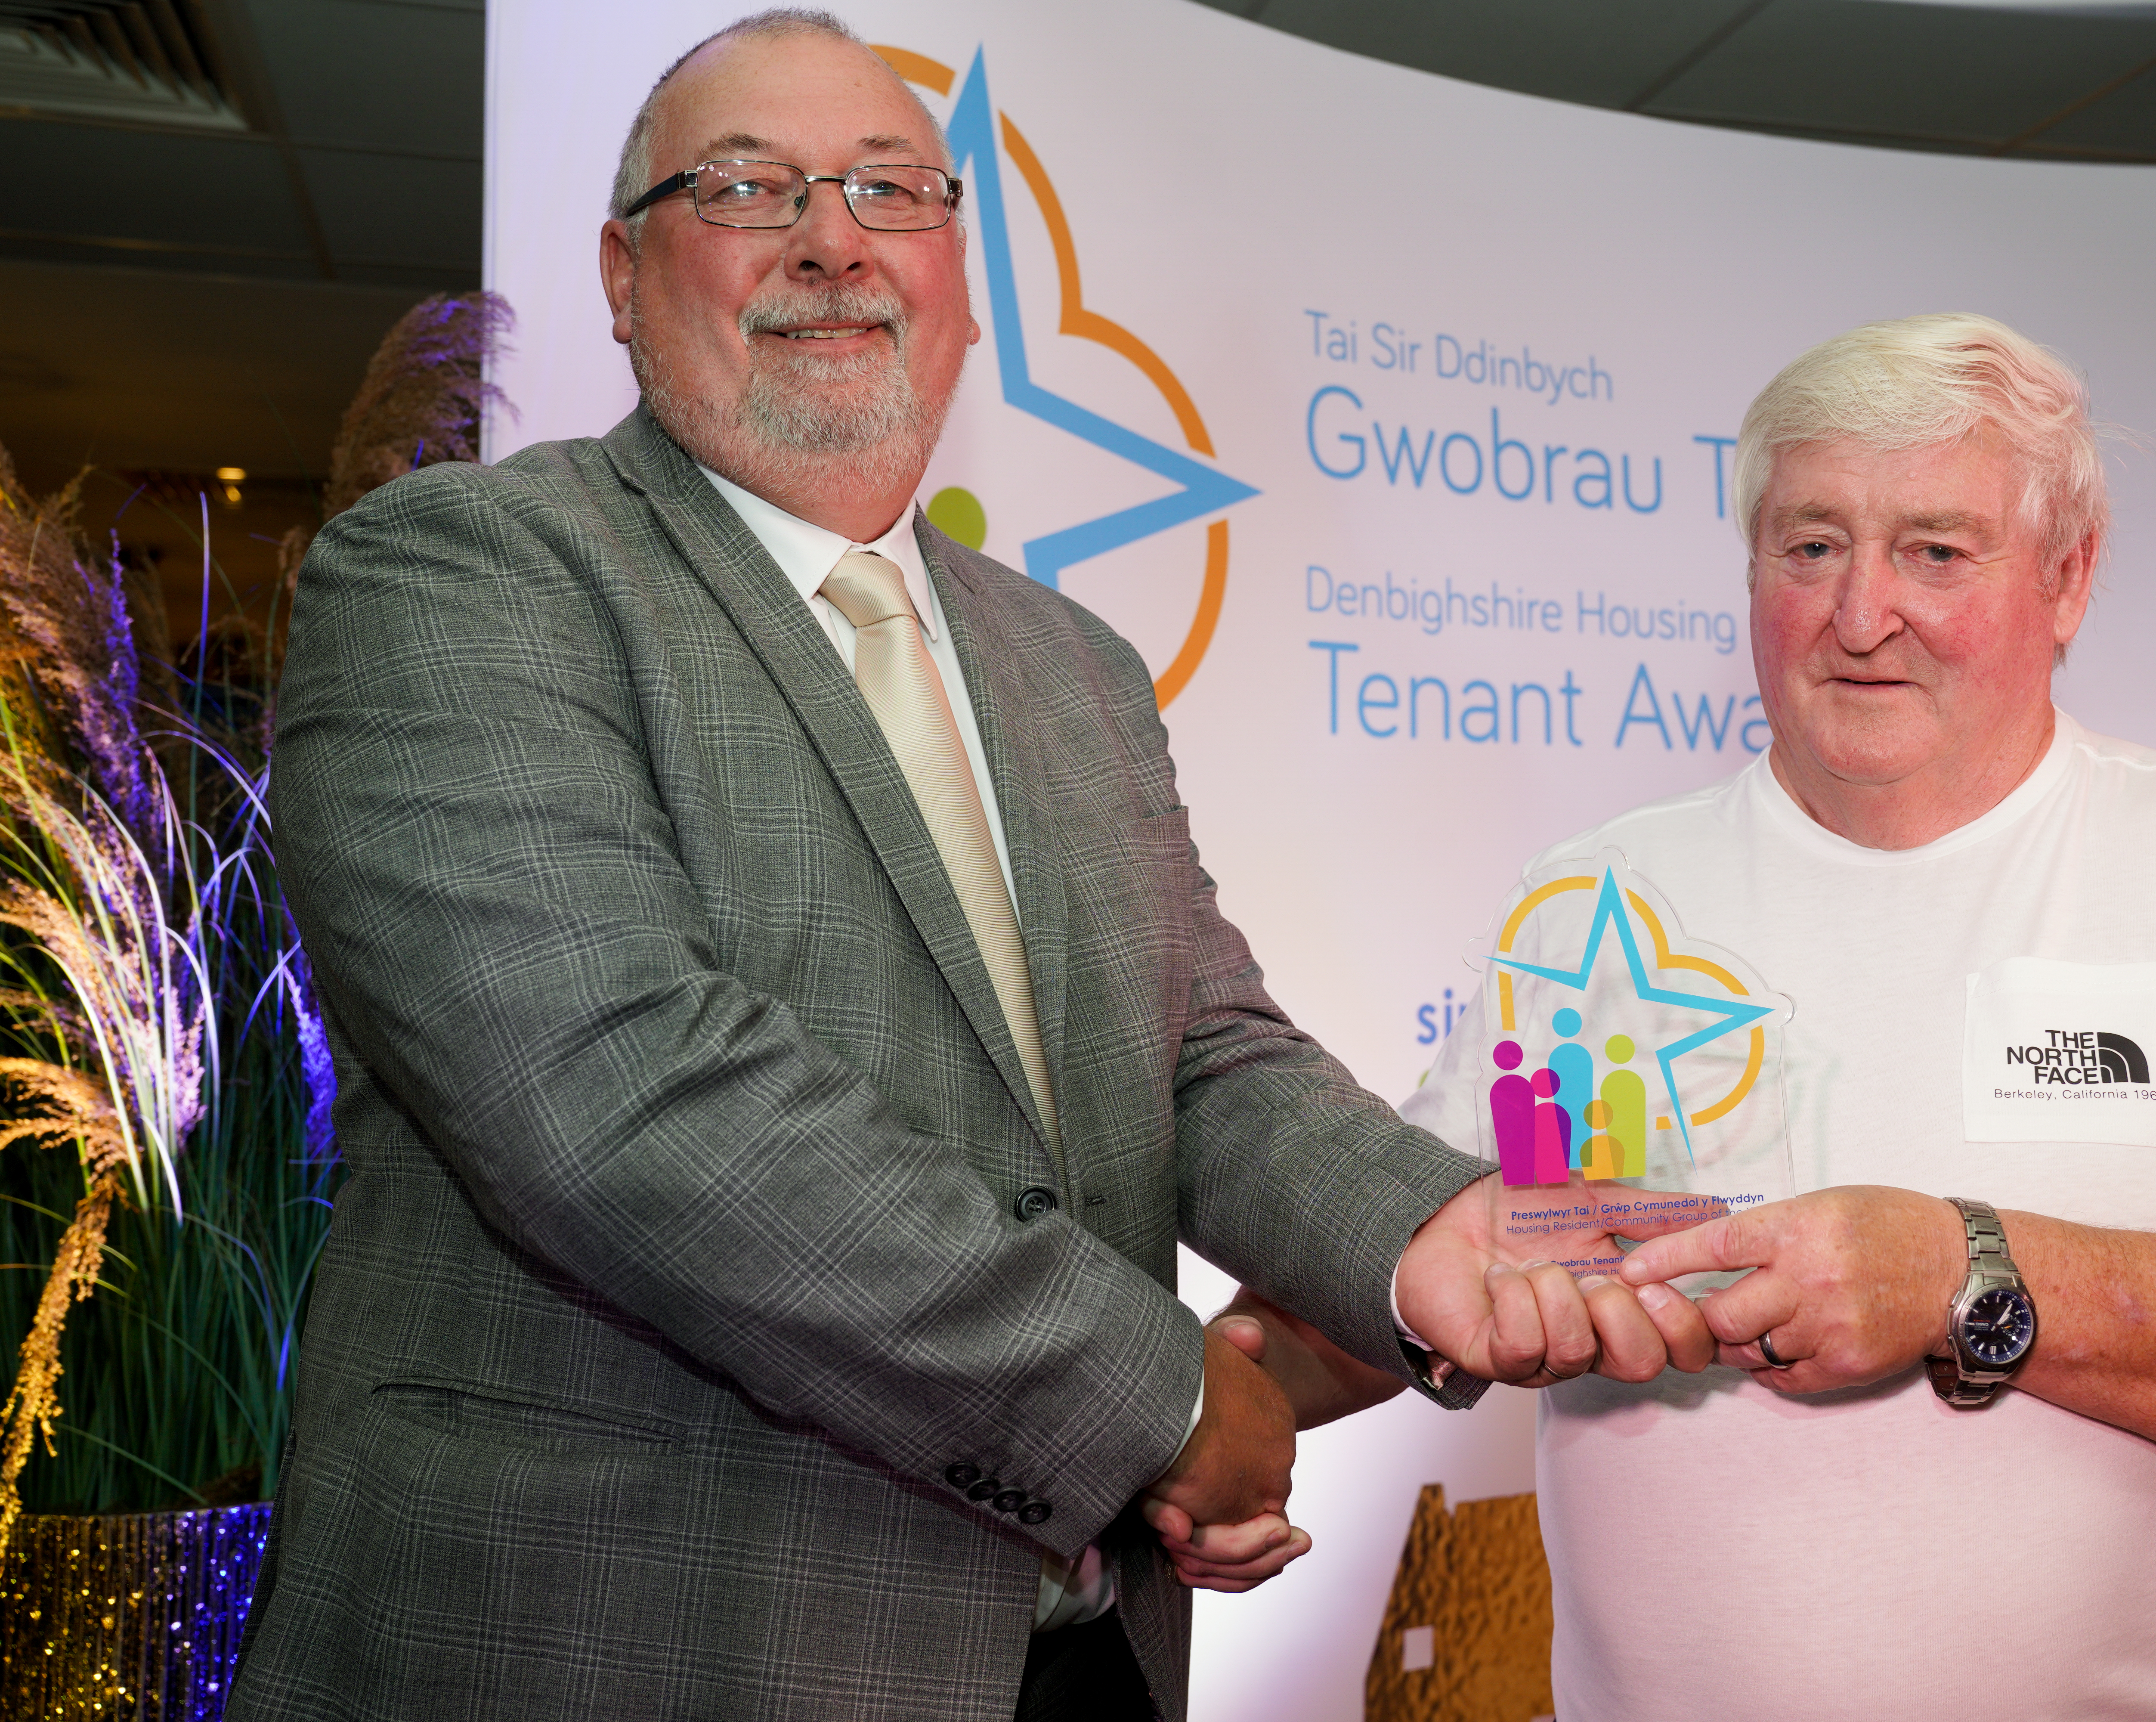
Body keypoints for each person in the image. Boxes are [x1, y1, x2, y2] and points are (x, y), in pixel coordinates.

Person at [228, 12, 1703, 1719]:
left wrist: (1436, 1234)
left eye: (890, 191)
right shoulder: (464, 576)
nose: (831, 238)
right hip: (628, 1646)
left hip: (1079, 1657)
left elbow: (1202, 1055)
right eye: (749, 186)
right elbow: (621, 1099)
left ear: (963, 281)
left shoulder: (1072, 666)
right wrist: (1156, 1400)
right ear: (625, 275)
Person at [1399, 312, 2156, 1721]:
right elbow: (1422, 1242)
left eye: (1936, 550)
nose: (1863, 614)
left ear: (2069, 578)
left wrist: (1962, 1270)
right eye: (1811, 547)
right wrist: (1233, 1402)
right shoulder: (1592, 906)